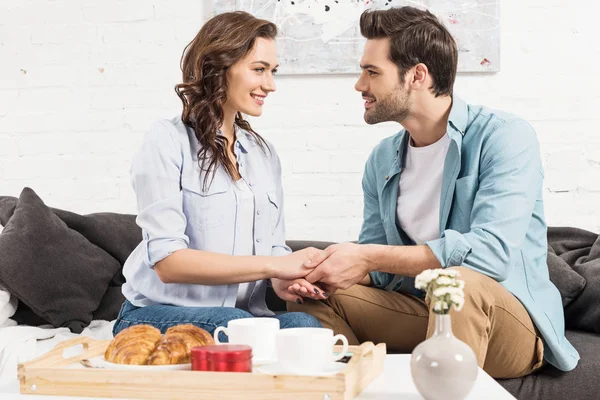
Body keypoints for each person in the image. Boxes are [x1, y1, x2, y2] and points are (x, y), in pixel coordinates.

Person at [289, 6, 579, 378]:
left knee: (458, 283)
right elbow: (378, 270)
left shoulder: (504, 136)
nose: (360, 85)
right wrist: (321, 270)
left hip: (506, 323)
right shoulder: (382, 160)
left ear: (417, 75)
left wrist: (368, 256)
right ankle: (363, 386)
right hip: (424, 312)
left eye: (372, 72)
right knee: (311, 299)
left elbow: (490, 255)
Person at [114, 11, 328, 338]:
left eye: (273, 72)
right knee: (240, 328)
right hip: (155, 315)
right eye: (259, 70)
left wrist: (286, 279)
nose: (269, 85)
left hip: (240, 317)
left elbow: (273, 248)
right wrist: (274, 267)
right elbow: (169, 264)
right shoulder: (167, 141)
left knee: (306, 328)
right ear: (219, 68)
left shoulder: (263, 153)